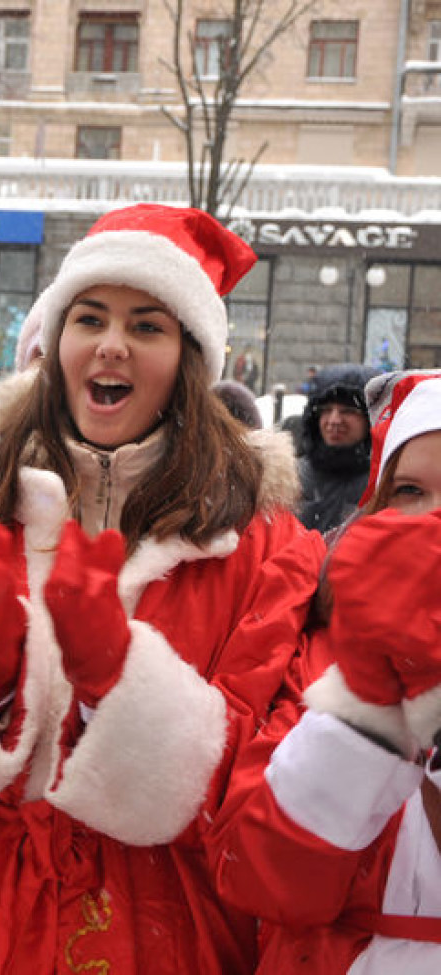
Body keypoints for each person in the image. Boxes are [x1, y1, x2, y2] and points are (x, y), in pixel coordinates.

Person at [0, 204, 321, 973]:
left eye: (147, 326)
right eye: (91, 318)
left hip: (163, 929)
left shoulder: (264, 543)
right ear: (58, 340)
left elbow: (251, 791)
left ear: (190, 360)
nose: (111, 344)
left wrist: (119, 686)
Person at [210, 369, 441, 973]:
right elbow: (260, 877)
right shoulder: (322, 656)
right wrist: (369, 701)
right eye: (410, 491)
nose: (431, 519)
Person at [298, 363, 378, 533]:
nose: (334, 420)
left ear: (370, 419)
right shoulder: (292, 478)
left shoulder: (385, 480)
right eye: (326, 410)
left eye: (348, 411)